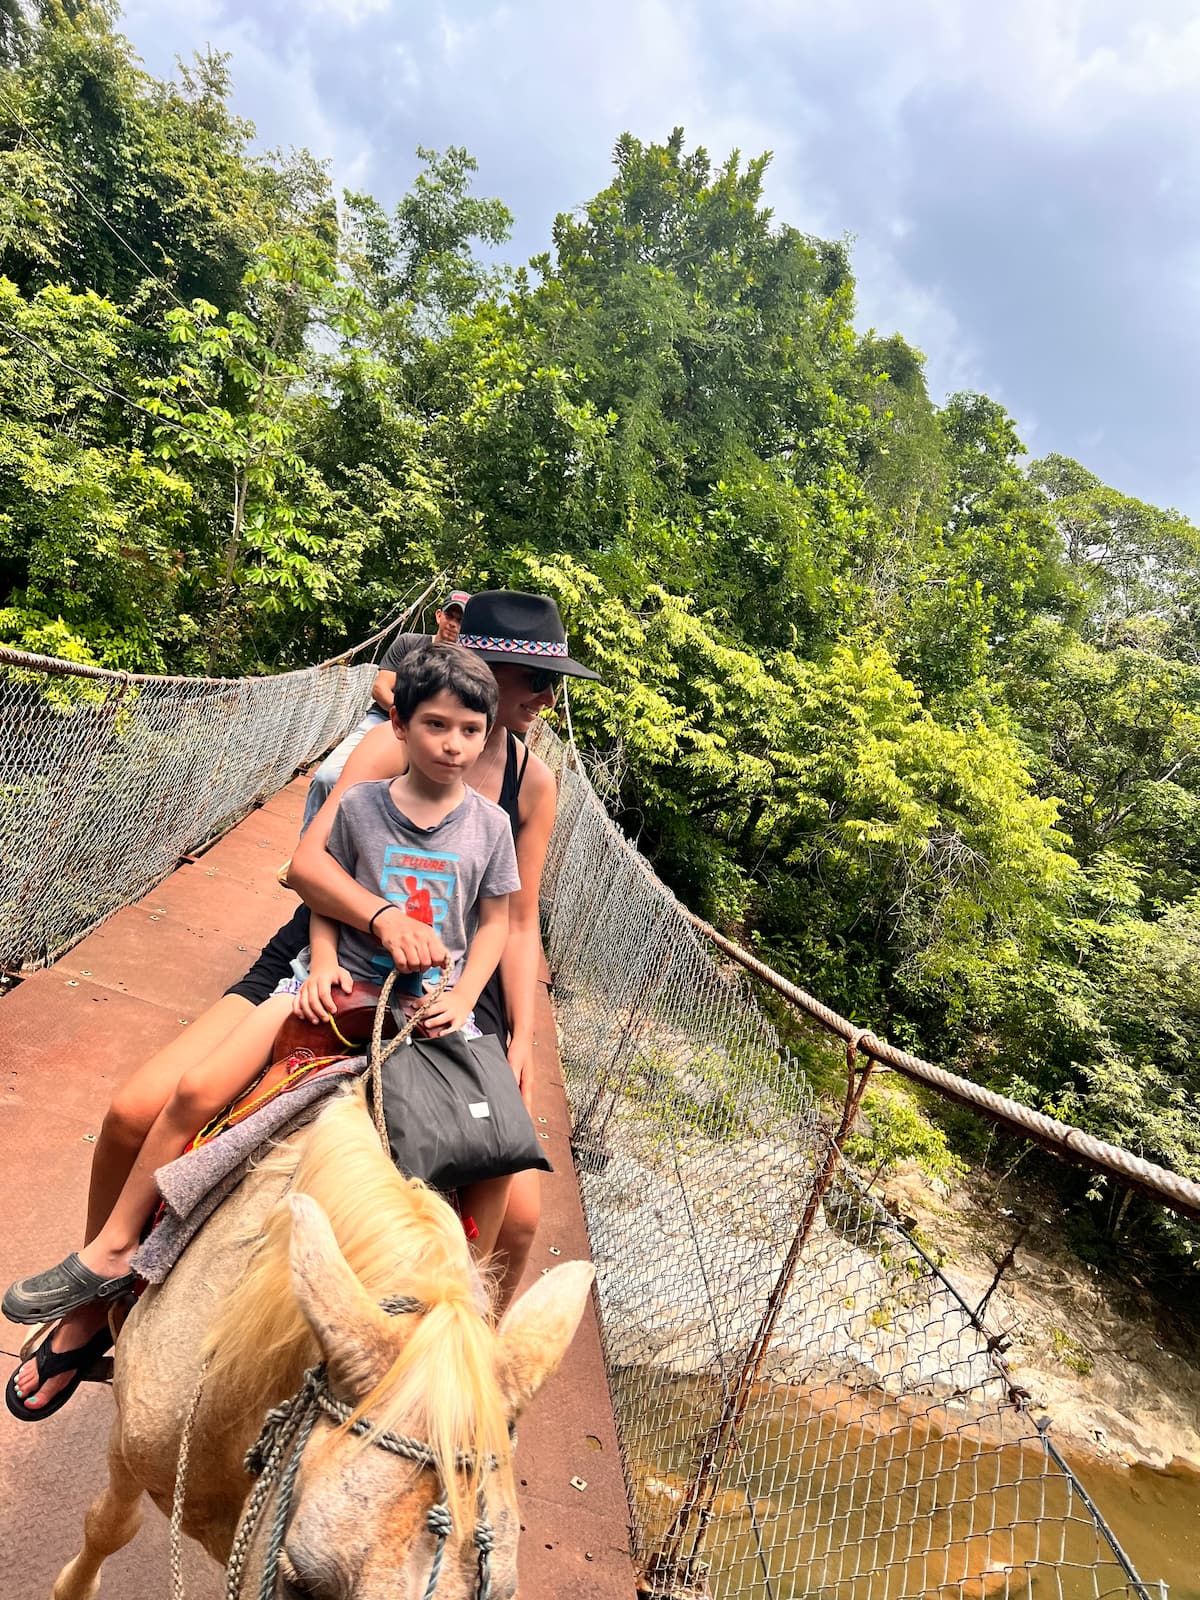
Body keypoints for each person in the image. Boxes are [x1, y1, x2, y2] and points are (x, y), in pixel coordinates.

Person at [5, 592, 597, 1414]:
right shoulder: (402, 749)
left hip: (453, 991)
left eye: (551, 680)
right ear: (478, 669)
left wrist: (522, 1037)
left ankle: (458, 1383)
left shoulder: (532, 785)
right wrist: (379, 922)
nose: (547, 695)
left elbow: (516, 916)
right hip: (331, 952)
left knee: (522, 1212)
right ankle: (96, 1306)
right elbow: (311, 867)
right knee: (136, 1110)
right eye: (534, 675)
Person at [300, 588, 470, 829]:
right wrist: (409, 721)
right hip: (384, 719)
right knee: (326, 778)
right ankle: (308, 844)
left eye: (461, 620)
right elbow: (381, 688)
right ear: (438, 616)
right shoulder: (408, 644)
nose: (454, 624)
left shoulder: (466, 666)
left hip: (432, 737)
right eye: (451, 616)